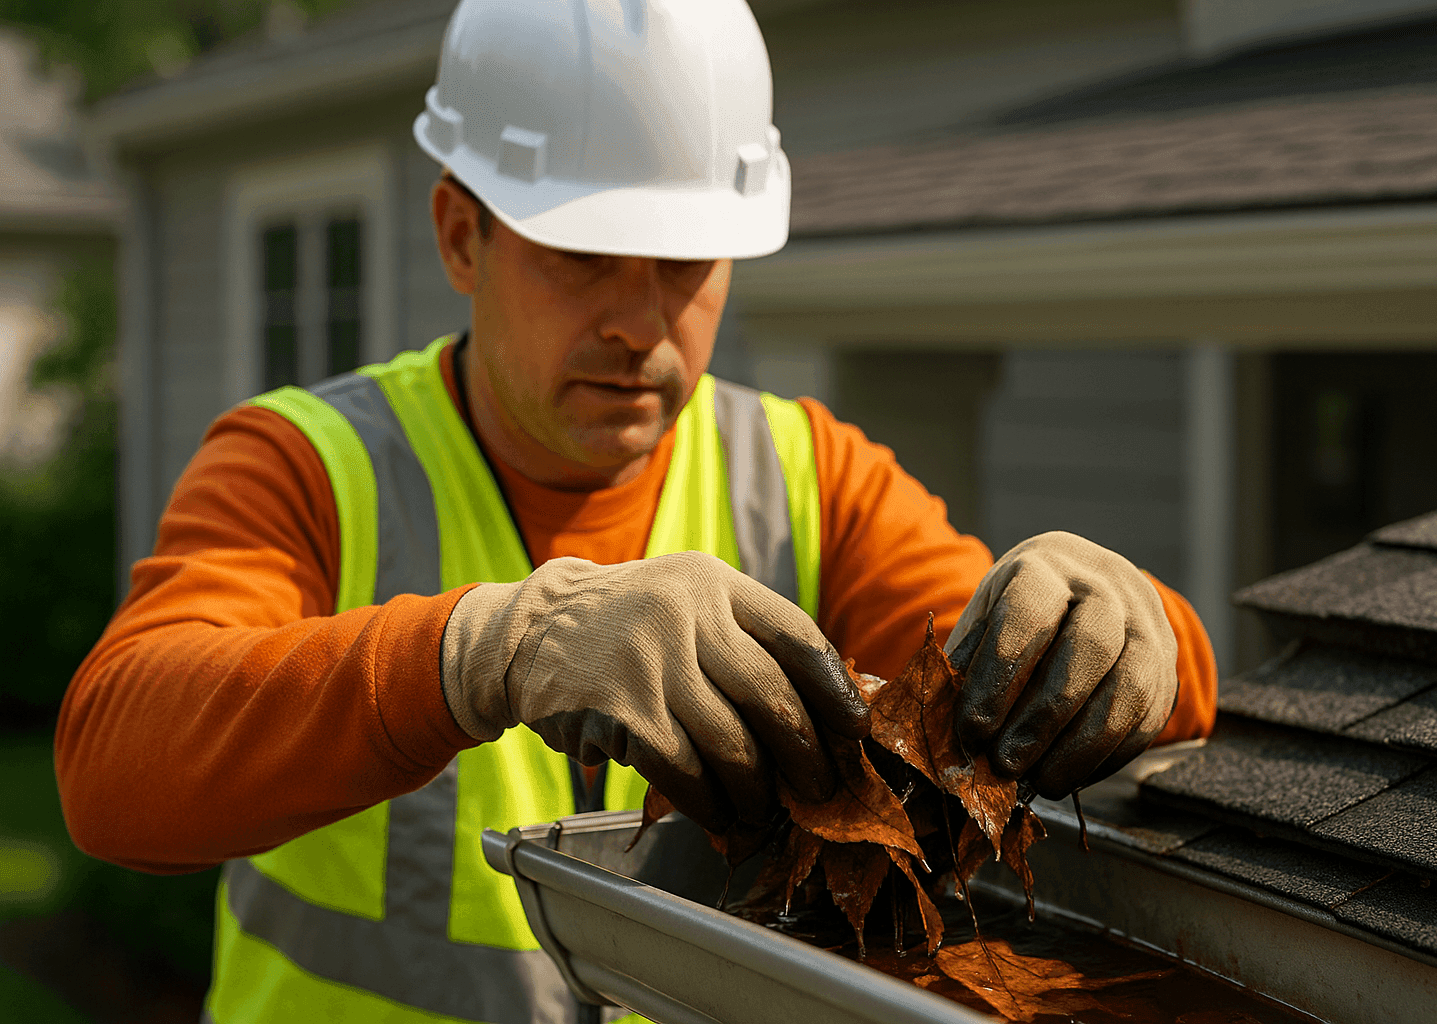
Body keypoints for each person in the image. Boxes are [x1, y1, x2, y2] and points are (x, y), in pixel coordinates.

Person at [56, 1, 1216, 1021]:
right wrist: (482, 651)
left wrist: (1140, 625)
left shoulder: (813, 472)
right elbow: (111, 774)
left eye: (686, 263)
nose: (640, 321)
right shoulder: (305, 464)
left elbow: (1059, 682)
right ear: (463, 235)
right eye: (584, 255)